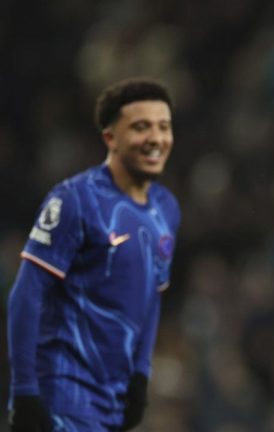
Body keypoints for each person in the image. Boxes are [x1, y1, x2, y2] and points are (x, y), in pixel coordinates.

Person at [7, 78, 180, 431]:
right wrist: (24, 389)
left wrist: (141, 376)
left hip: (113, 400)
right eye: (140, 127)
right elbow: (27, 293)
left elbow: (151, 298)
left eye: (164, 127)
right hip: (63, 393)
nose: (156, 139)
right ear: (110, 138)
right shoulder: (74, 200)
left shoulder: (167, 209)